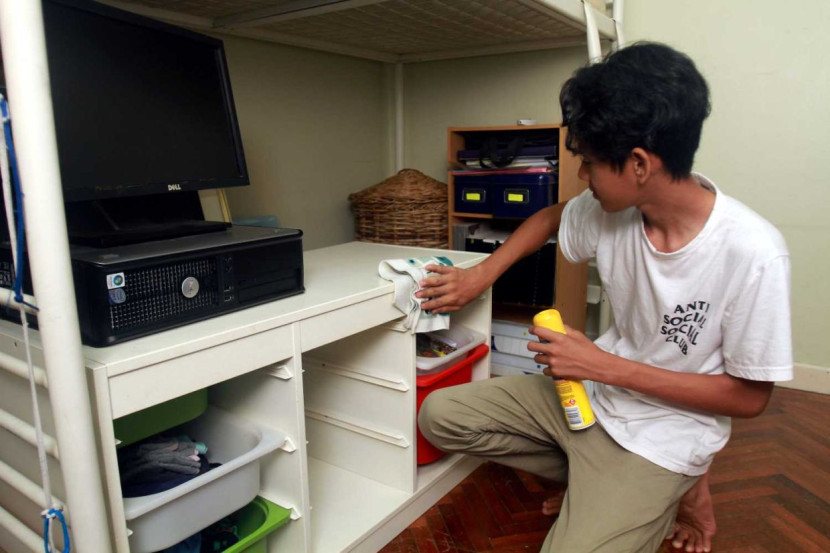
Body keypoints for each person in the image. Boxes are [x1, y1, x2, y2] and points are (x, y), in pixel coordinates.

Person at [416, 42, 792, 553]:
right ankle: (596, 484)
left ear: (638, 164)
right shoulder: (611, 210)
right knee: (440, 416)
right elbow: (550, 218)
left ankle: (671, 487)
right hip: (589, 400)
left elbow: (749, 398)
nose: (583, 177)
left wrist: (601, 364)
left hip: (664, 433)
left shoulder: (754, 252)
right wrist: (482, 274)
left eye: (589, 164)